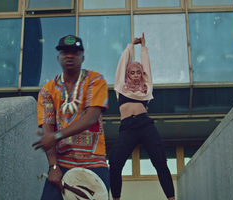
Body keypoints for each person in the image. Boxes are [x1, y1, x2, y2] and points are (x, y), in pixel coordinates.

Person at [32, 35, 110, 200]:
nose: (69, 55)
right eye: (64, 52)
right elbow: (47, 130)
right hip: (62, 163)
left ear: (82, 57)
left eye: (74, 52)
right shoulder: (47, 90)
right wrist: (53, 166)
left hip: (94, 163)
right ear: (58, 57)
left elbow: (91, 118)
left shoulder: (95, 81)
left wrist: (56, 136)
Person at [109, 33, 175, 200]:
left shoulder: (146, 89)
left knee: (160, 162)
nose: (136, 74)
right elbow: (122, 63)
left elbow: (147, 68)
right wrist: (131, 45)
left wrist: (143, 48)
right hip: (127, 128)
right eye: (132, 72)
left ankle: (172, 198)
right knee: (115, 164)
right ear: (127, 74)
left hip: (145, 126)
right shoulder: (120, 87)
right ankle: (116, 198)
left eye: (139, 72)